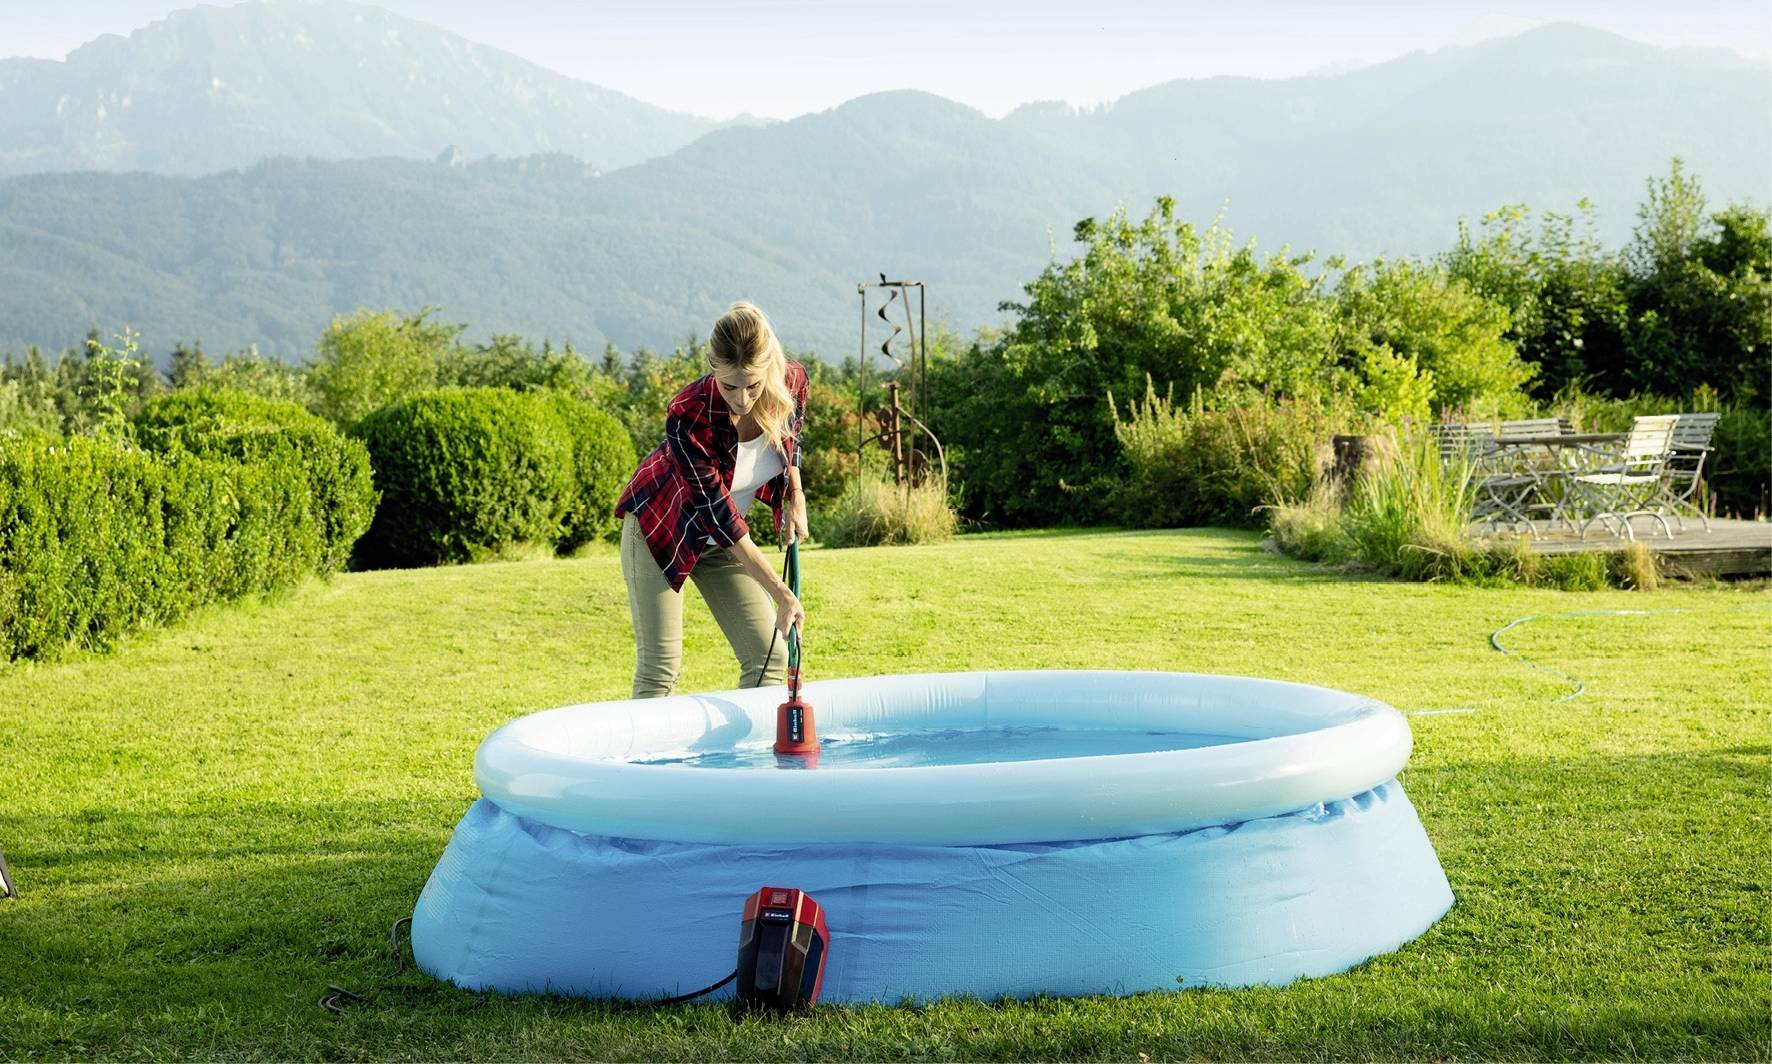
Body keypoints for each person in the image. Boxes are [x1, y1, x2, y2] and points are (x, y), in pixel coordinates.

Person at [614, 301, 811, 698]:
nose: (742, 400)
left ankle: (746, 761)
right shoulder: (688, 415)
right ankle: (640, 763)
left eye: (753, 385)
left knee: (767, 659)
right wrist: (781, 592)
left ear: (770, 366)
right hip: (660, 532)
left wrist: (795, 494)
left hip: (721, 544)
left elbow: (792, 438)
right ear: (711, 366)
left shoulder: (792, 382)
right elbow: (718, 515)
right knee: (660, 671)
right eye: (729, 387)